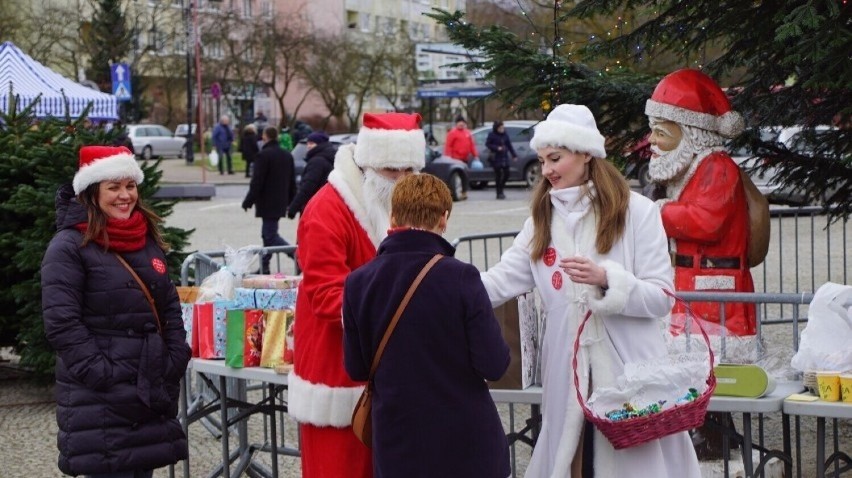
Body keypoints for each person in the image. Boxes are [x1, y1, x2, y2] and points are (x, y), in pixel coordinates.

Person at [480, 104, 701, 477]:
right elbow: (500, 281)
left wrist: (607, 279)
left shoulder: (638, 212)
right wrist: (443, 284)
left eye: (555, 158)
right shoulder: (540, 222)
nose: (546, 169)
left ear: (585, 154)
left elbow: (662, 297)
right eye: (542, 160)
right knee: (573, 459)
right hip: (567, 377)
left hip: (630, 374)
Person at [342, 173, 511, 477]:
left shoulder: (358, 282)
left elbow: (356, 368)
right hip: (465, 444)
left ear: (392, 216)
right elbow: (495, 364)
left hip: (398, 445)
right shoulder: (462, 277)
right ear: (444, 220)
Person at [289, 112, 426, 478]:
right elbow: (326, 296)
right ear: (368, 165)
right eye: (392, 173)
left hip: (384, 369)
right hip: (337, 371)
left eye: (410, 172)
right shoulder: (326, 210)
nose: (402, 182)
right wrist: (401, 317)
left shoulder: (391, 205)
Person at [41, 145, 191, 477]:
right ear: (92, 193)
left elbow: (168, 304)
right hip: (102, 402)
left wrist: (176, 356)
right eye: (114, 187)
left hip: (149, 391)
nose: (125, 196)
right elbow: (61, 324)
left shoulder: (144, 236)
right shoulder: (68, 247)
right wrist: (105, 376)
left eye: (130, 186)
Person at [644, 68, 756, 337]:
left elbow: (706, 221)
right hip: (693, 283)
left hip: (715, 289)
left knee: (713, 357)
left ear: (690, 133)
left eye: (661, 133)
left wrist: (657, 211)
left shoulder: (717, 167)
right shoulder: (690, 169)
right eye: (653, 131)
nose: (652, 141)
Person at [241, 126, 297, 274]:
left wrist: (248, 201)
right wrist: (292, 202)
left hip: (267, 202)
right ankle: (264, 266)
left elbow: (257, 182)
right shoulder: (287, 155)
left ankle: (296, 256)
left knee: (271, 235)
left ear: (265, 137)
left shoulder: (263, 156)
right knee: (267, 235)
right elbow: (292, 182)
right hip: (281, 202)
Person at [287, 131, 336, 219]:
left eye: (312, 143)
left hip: (312, 206)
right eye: (308, 143)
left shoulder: (317, 162)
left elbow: (307, 186)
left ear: (320, 144)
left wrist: (293, 207)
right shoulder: (329, 158)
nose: (308, 146)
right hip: (324, 205)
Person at [485, 120, 518, 200]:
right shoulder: (492, 135)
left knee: (507, 174)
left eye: (503, 127)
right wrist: (497, 148)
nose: (502, 129)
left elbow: (509, 145)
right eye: (500, 128)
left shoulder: (505, 135)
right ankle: (498, 192)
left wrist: (514, 155)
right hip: (496, 157)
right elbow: (488, 144)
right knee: (498, 175)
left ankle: (501, 188)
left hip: (504, 157)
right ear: (496, 128)